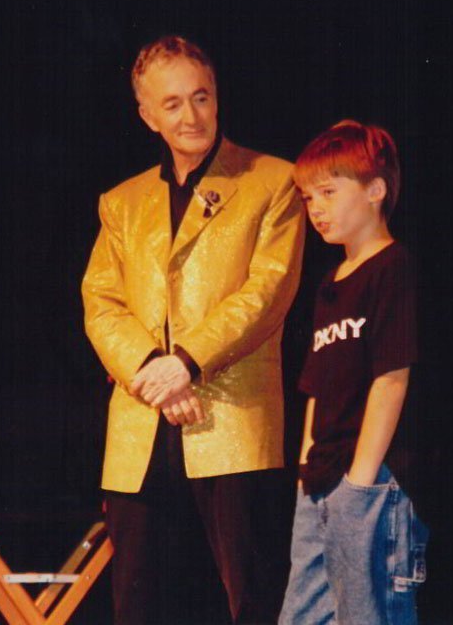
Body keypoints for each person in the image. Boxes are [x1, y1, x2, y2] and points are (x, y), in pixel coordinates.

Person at [81, 35, 305, 624]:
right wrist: (151, 372)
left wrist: (184, 363)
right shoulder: (121, 203)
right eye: (173, 103)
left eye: (201, 98)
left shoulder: (274, 181)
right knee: (140, 604)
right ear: (147, 115)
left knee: (253, 601)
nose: (191, 116)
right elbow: (100, 301)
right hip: (141, 429)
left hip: (234, 425)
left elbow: (268, 291)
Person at [278, 120, 429, 624]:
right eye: (306, 197)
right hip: (319, 482)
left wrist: (359, 484)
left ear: (376, 190)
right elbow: (316, 389)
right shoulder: (330, 282)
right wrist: (306, 471)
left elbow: (391, 378)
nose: (314, 207)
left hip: (368, 484)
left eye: (326, 191)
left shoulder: (393, 267)